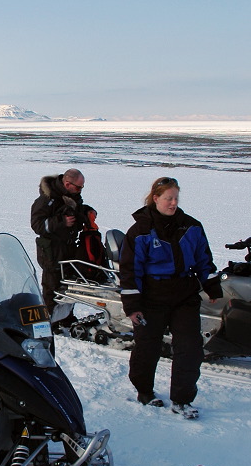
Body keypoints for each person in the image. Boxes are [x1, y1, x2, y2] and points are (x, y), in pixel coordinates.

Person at [119, 176, 222, 419]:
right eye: (168, 198)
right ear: (156, 198)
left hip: (184, 295)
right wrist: (132, 306)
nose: (174, 203)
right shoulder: (140, 231)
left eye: (176, 198)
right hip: (151, 297)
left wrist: (212, 287)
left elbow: (204, 260)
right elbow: (130, 271)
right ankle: (144, 391)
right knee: (148, 347)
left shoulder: (192, 227)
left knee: (190, 348)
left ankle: (182, 400)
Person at [30, 168, 97, 317]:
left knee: (69, 286)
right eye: (78, 187)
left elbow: (78, 210)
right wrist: (61, 221)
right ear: (67, 184)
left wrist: (87, 212)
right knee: (52, 287)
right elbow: (37, 224)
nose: (80, 190)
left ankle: (66, 318)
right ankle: (49, 320)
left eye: (82, 187)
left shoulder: (72, 196)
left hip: (69, 247)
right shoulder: (46, 200)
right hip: (51, 251)